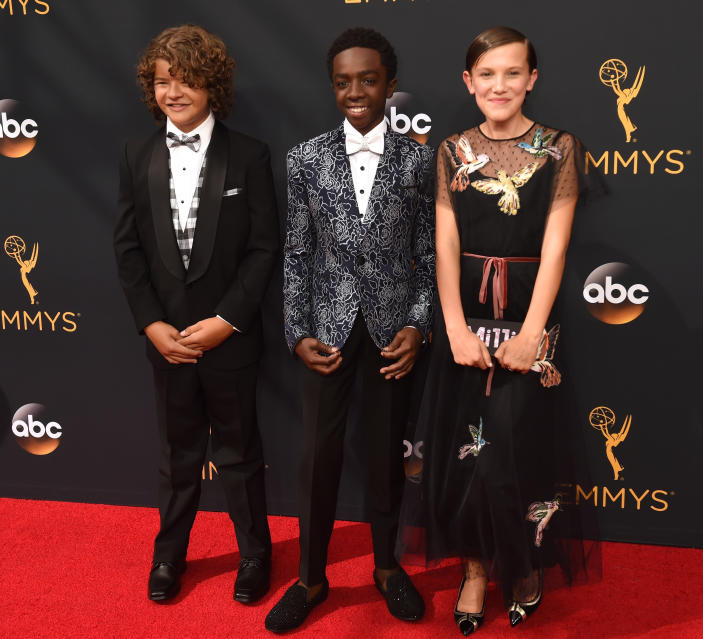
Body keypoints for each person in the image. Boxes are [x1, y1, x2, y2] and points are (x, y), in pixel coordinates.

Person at [403, 26, 600, 634]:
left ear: (532, 79)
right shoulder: (451, 150)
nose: (499, 85)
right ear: (468, 82)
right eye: (486, 74)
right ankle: (474, 572)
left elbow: (556, 248)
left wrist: (532, 331)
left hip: (528, 317)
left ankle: (523, 565)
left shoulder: (558, 148)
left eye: (512, 73)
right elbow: (445, 243)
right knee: (465, 455)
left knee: (518, 452)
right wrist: (455, 328)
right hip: (465, 319)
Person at [265, 27, 435, 634]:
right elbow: (296, 254)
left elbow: (430, 254)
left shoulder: (420, 159)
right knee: (317, 458)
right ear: (332, 87)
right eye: (343, 81)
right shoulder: (305, 159)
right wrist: (295, 332)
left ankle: (387, 568)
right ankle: (311, 578)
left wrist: (419, 324)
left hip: (392, 334)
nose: (355, 91)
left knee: (388, 454)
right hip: (327, 331)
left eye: (368, 79)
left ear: (390, 84)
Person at [113, 24, 278, 604]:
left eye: (186, 80)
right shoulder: (137, 153)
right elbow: (128, 248)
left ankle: (256, 553)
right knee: (177, 456)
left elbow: (264, 248)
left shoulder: (250, 155)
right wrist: (152, 324)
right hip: (167, 341)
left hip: (229, 339)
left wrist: (228, 319)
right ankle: (169, 555)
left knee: (239, 454)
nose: (174, 91)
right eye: (163, 81)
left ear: (214, 85)